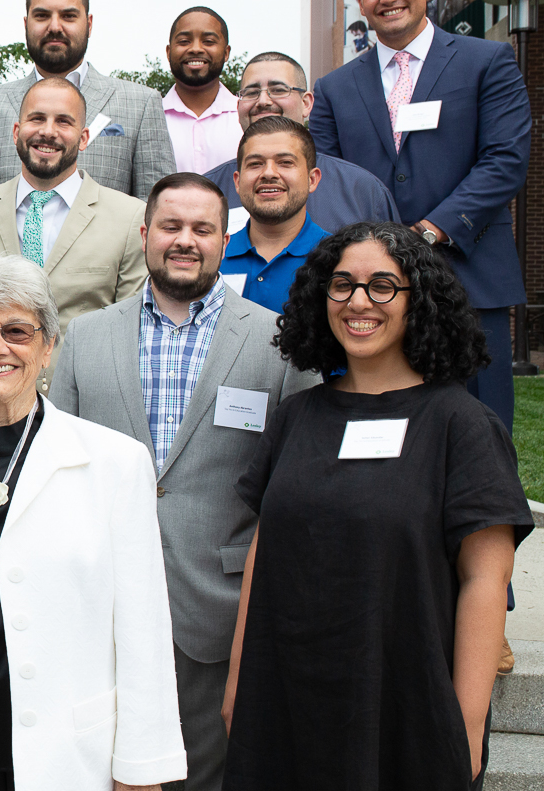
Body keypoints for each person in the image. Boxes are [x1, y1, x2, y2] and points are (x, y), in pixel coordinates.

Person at [222, 222, 533, 790]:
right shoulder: (297, 417)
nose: (358, 301)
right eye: (342, 285)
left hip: (407, 712)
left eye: (382, 285)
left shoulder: (461, 426)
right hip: (286, 703)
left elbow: (485, 583)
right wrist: (239, 685)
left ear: (422, 301)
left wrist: (463, 728)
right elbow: (263, 556)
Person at [49, 173, 322, 791]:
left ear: (225, 242)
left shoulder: (277, 343)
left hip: (217, 609)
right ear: (145, 234)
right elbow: (58, 469)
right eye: (170, 226)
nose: (185, 240)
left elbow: (298, 487)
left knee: (205, 776)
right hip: (100, 604)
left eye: (202, 229)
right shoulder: (85, 338)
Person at [0, 252, 186, 791]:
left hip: (71, 758)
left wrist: (140, 770)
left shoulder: (114, 463)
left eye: (17, 331)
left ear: (48, 346)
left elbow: (143, 631)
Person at [308, 0, 531, 431]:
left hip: (469, 275)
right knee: (382, 425)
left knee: (481, 427)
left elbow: (506, 160)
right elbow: (328, 180)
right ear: (362, 2)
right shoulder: (333, 88)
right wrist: (373, 254)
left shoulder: (487, 61)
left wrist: (429, 231)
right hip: (370, 291)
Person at [0, 75, 147, 385]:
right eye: (37, 119)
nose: (47, 131)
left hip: (82, 406)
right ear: (16, 131)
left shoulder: (128, 218)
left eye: (63, 122)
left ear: (83, 138)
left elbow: (130, 335)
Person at [0, 0, 176, 212]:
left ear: (88, 23)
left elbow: (159, 211)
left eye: (68, 16)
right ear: (26, 23)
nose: (55, 27)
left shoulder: (140, 103)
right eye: (42, 16)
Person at [201, 52, 400, 233]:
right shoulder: (208, 191)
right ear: (239, 107)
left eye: (278, 89)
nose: (263, 101)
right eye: (251, 93)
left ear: (306, 103)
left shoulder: (362, 190)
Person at [218, 117, 328, 312]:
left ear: (312, 179)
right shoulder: (212, 258)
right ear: (237, 181)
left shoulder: (337, 259)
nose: (269, 173)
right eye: (255, 164)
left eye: (285, 162)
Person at [163, 7, 240, 174]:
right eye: (184, 41)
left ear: (226, 53)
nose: (196, 49)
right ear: (168, 52)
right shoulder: (151, 119)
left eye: (209, 41)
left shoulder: (245, 117)